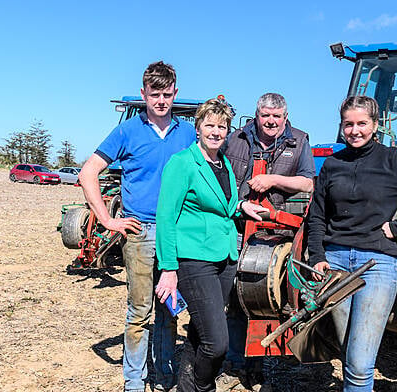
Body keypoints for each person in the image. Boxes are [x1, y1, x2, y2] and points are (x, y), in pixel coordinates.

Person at [306, 96, 397, 391]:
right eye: (349, 124)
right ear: (342, 126)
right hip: (334, 265)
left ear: (375, 125)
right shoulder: (332, 164)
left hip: (376, 264)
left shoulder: (392, 160)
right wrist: (317, 256)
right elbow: (317, 216)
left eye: (362, 123)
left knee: (360, 363)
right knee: (349, 351)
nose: (354, 130)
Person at [78, 61, 194, 392]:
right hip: (139, 232)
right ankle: (134, 380)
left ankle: (165, 374)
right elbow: (88, 173)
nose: (161, 100)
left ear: (176, 94)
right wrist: (106, 218)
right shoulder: (127, 131)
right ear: (143, 94)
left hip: (176, 234)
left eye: (167, 94)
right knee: (139, 311)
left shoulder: (187, 133)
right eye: (154, 94)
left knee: (169, 308)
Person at [154, 98, 267, 392]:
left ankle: (187, 387)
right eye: (210, 125)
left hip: (225, 256)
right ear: (198, 127)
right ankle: (204, 387)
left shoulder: (223, 163)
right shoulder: (182, 163)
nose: (216, 132)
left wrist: (242, 206)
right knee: (217, 343)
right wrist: (168, 268)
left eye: (222, 126)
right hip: (194, 259)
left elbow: (224, 204)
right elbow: (166, 218)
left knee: (199, 333)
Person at [221, 92, 315, 389]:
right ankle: (234, 364)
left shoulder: (298, 140)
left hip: (278, 231)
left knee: (267, 299)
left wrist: (273, 180)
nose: (271, 121)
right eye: (265, 116)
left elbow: (308, 181)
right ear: (256, 115)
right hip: (236, 227)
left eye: (277, 116)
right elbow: (219, 173)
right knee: (235, 298)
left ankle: (259, 367)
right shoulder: (236, 138)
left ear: (285, 117)